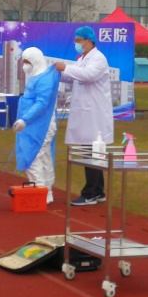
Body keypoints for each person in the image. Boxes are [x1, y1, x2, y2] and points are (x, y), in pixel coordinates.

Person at [54, 26, 113, 206]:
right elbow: (74, 76)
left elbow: (87, 75)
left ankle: (90, 193)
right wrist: (59, 72)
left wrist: (66, 68)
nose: (76, 43)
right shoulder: (83, 59)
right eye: (76, 40)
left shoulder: (99, 59)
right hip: (86, 112)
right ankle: (98, 191)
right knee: (91, 150)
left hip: (94, 113)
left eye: (79, 40)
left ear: (89, 40)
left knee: (92, 151)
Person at [12, 47, 61, 204]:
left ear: (35, 61)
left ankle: (40, 191)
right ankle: (47, 192)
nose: (24, 65)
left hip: (42, 124)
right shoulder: (36, 76)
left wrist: (24, 119)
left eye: (27, 62)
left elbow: (42, 103)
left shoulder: (45, 79)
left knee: (32, 157)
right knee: (44, 156)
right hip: (35, 124)